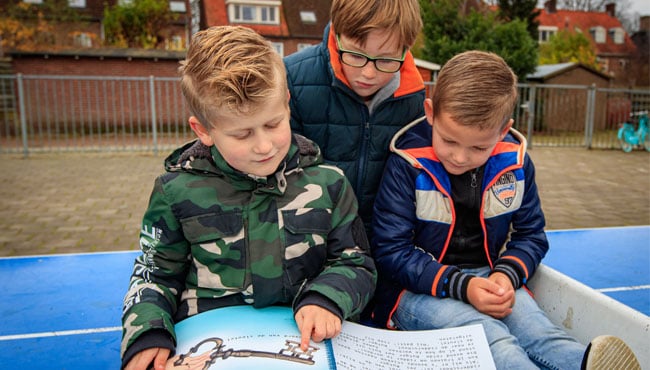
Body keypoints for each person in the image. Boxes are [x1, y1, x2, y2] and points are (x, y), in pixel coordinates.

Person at [120, 25, 377, 370]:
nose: (264, 146)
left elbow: (356, 262)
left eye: (273, 124)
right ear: (203, 130)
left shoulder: (329, 184)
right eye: (242, 133)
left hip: (303, 347)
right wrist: (147, 332)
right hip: (207, 348)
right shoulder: (175, 192)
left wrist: (327, 298)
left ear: (287, 104)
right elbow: (154, 274)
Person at [369, 50, 640, 369]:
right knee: (492, 338)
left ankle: (585, 364)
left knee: (543, 335)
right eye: (449, 140)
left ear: (503, 130)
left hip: (490, 277)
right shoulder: (406, 163)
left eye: (478, 147)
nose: (459, 157)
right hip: (414, 290)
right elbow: (390, 251)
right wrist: (463, 286)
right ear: (431, 113)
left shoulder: (517, 164)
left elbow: (531, 236)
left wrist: (506, 274)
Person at [284, 0, 426, 239]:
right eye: (355, 54)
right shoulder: (292, 79)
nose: (368, 73)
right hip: (308, 236)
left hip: (382, 241)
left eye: (386, 60)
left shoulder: (413, 97)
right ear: (337, 36)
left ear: (406, 48)